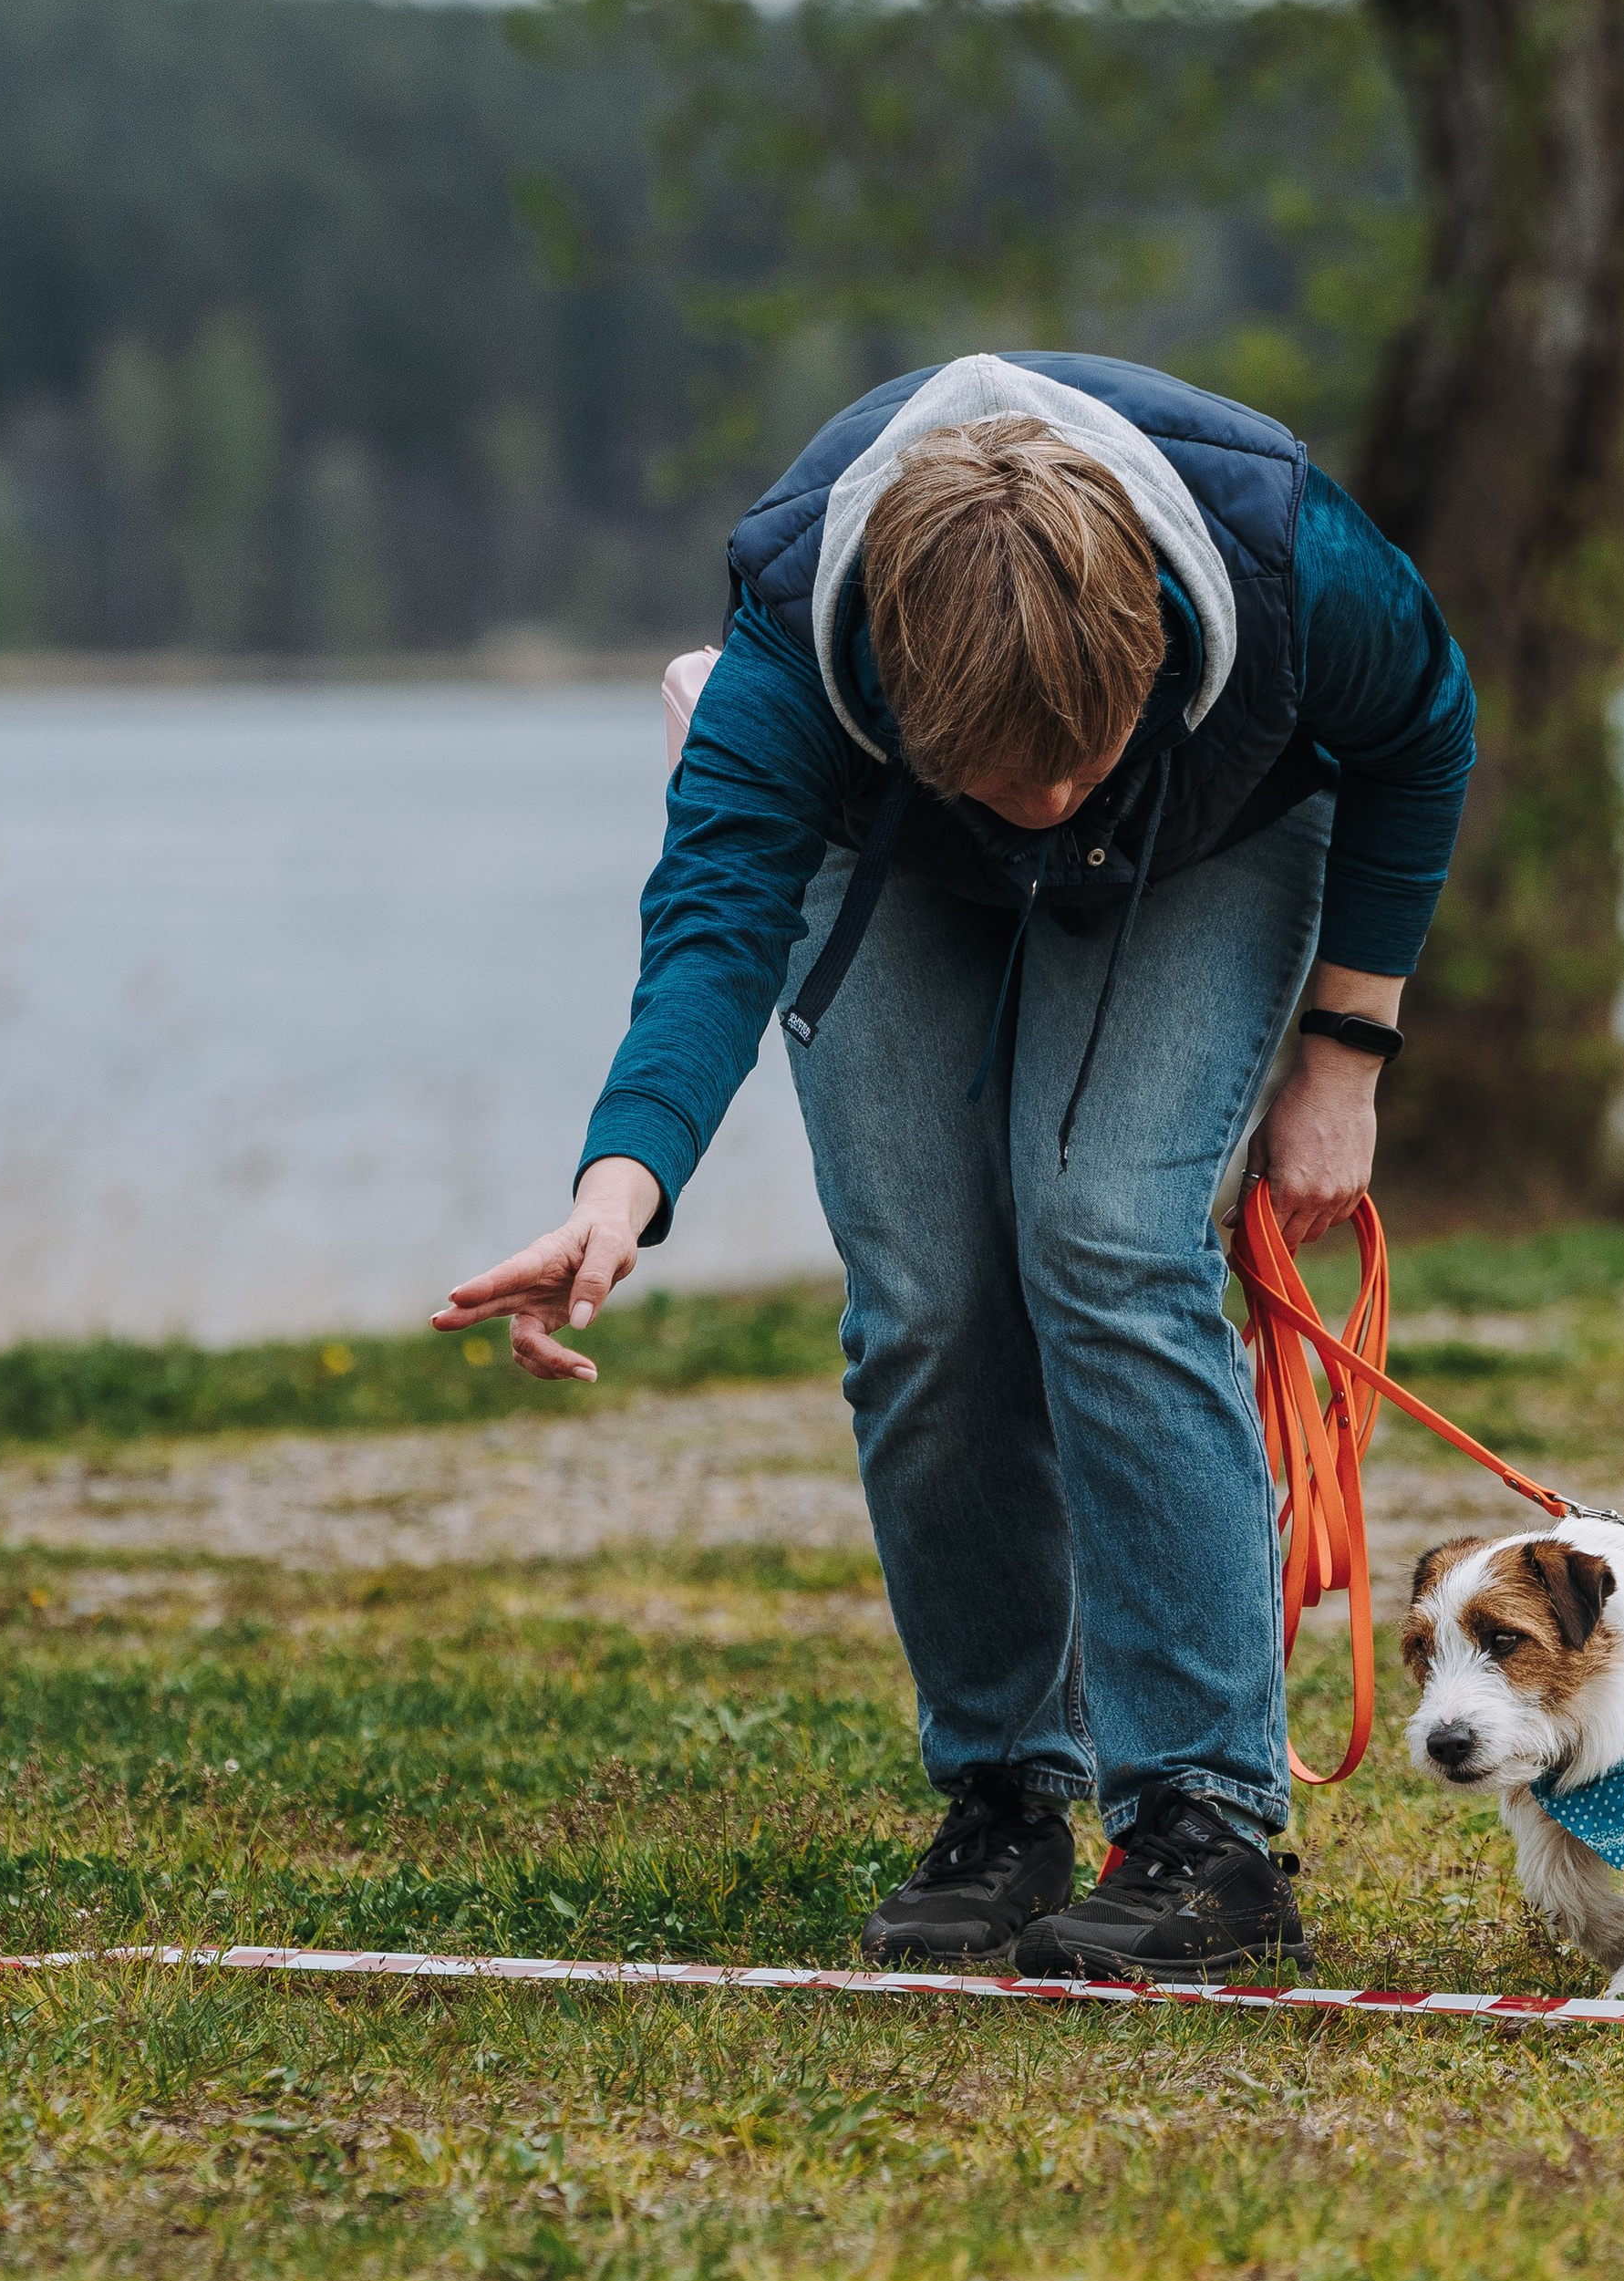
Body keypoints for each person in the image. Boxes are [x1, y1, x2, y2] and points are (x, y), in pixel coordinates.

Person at [436, 353, 1474, 1976]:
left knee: (1110, 1237)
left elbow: (1423, 728)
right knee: (924, 1292)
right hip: (894, 849)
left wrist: (1346, 1056)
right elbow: (711, 933)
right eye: (1012, 774)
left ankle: (1208, 1826)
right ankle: (1006, 1790)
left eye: (1075, 760)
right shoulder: (795, 644)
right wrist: (617, 1187)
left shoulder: (1286, 557)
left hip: (1214, 824)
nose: (1048, 808)